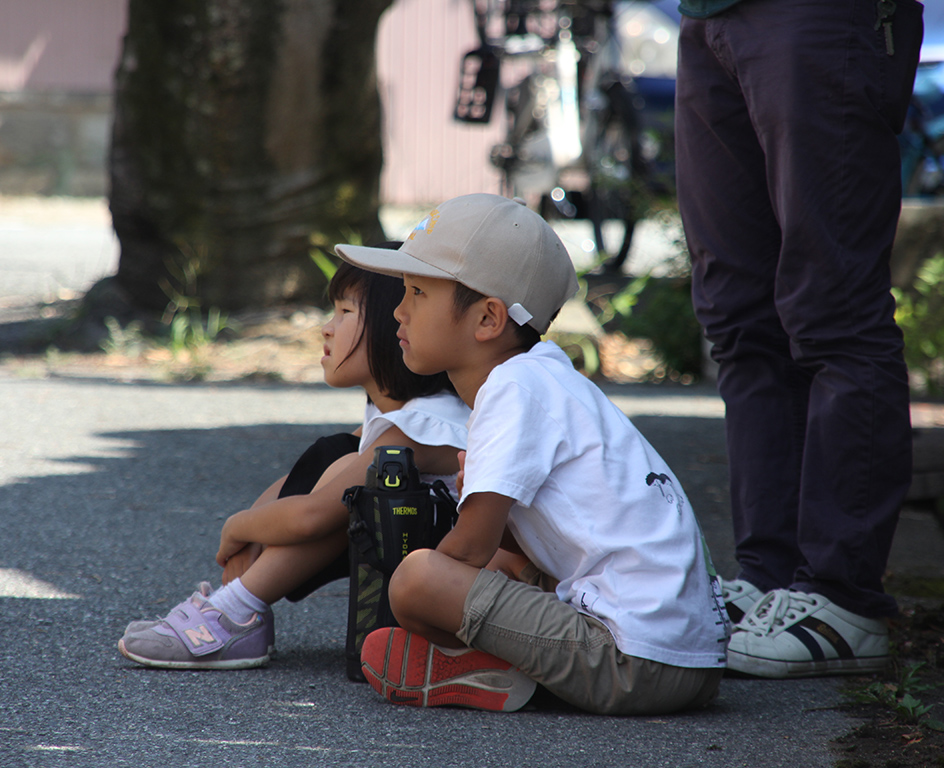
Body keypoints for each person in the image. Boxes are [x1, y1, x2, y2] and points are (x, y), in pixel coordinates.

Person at [334, 193, 729, 715]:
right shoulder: (544, 380)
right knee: (488, 565)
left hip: (633, 661)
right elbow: (516, 549)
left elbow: (469, 551)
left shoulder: (513, 389)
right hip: (686, 660)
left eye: (416, 292)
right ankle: (493, 670)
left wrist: (432, 597)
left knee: (417, 580)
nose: (397, 310)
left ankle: (483, 669)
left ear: (487, 319)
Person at [674, 0, 924, 678]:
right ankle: (770, 575)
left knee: (833, 306)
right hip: (707, 15)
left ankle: (843, 595)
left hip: (820, 14)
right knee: (738, 315)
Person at [117, 256, 471, 669]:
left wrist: (236, 527)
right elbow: (304, 480)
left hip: (456, 580)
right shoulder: (394, 416)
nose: (326, 327)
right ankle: (235, 604)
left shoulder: (425, 424)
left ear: (396, 329)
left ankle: (239, 611)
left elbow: (311, 516)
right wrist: (252, 533)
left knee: (352, 495)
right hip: (421, 563)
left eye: (344, 312)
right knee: (337, 457)